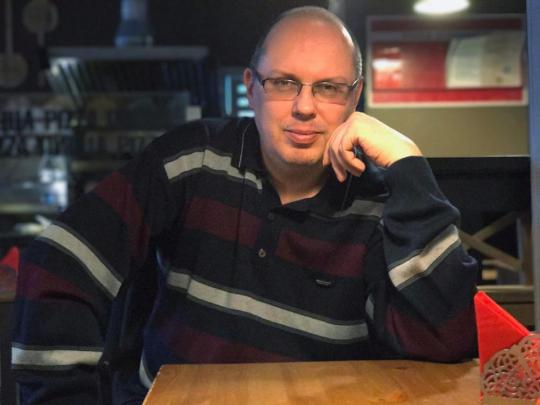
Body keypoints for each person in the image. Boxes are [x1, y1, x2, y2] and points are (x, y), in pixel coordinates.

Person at [11, 6, 478, 404]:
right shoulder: (191, 161)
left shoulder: (379, 203)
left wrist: (408, 164)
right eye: (284, 83)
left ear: (354, 97)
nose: (304, 107)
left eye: (328, 87)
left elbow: (448, 341)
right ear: (252, 87)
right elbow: (59, 260)